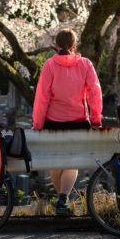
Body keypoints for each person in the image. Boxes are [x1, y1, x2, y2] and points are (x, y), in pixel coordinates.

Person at [33, 28, 103, 215]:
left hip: (53, 121)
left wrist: (38, 123)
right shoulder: (86, 64)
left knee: (55, 163)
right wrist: (96, 120)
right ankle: (63, 198)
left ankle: (61, 199)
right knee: (72, 162)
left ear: (56, 45)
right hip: (78, 121)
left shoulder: (49, 65)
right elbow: (95, 93)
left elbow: (42, 96)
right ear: (74, 45)